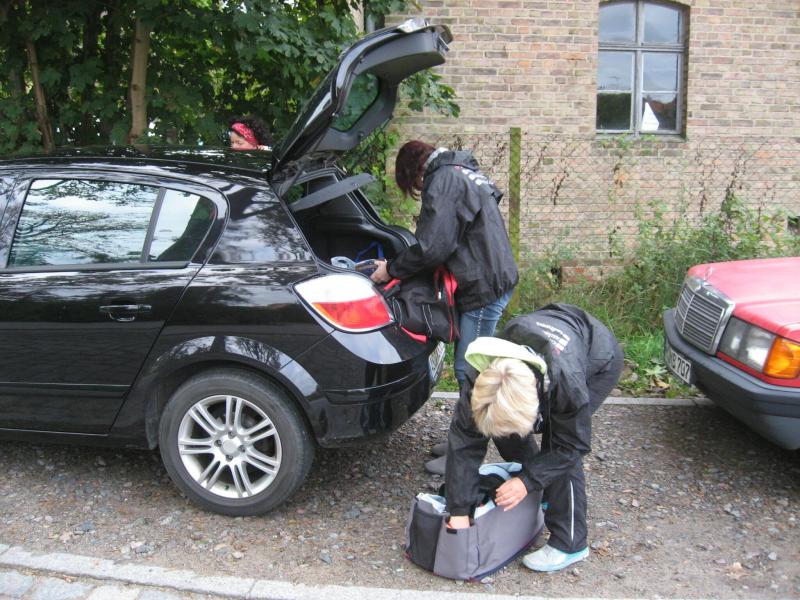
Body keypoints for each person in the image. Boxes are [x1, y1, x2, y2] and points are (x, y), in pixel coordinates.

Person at [370, 141, 518, 474]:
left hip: (483, 286)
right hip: (492, 276)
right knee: (472, 367)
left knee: (471, 372)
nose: (418, 189)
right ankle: (459, 442)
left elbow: (432, 247)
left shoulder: (444, 180)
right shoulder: (460, 172)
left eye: (414, 184)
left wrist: (391, 269)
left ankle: (465, 456)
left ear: (415, 171)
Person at [444, 303, 624, 572]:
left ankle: (570, 543)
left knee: (558, 444)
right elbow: (463, 443)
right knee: (501, 428)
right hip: (546, 340)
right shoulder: (482, 377)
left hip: (596, 358)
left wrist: (527, 480)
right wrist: (459, 510)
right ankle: (542, 492)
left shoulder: (567, 383)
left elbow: (572, 446)